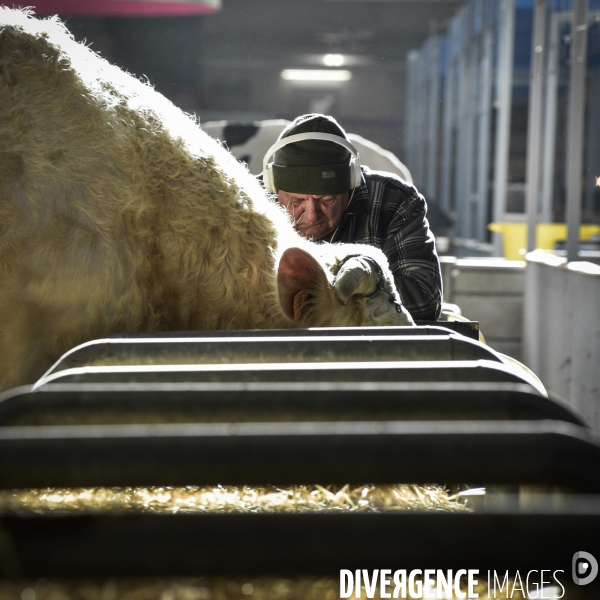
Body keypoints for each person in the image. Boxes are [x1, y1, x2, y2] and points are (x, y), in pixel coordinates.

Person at [262, 113, 442, 322]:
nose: (312, 215)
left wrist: (372, 277)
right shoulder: (253, 204)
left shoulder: (394, 202)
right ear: (272, 186)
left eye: (326, 200)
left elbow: (425, 302)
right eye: (296, 202)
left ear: (352, 182)